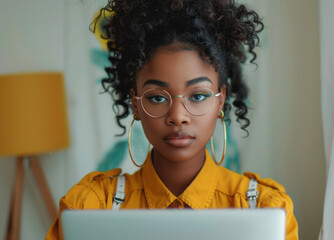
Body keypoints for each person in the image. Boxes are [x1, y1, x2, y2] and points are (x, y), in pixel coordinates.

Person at [46, 0, 298, 239]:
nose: (178, 117)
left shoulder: (265, 208)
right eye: (157, 98)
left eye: (198, 95)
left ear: (220, 101)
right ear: (135, 104)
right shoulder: (89, 207)